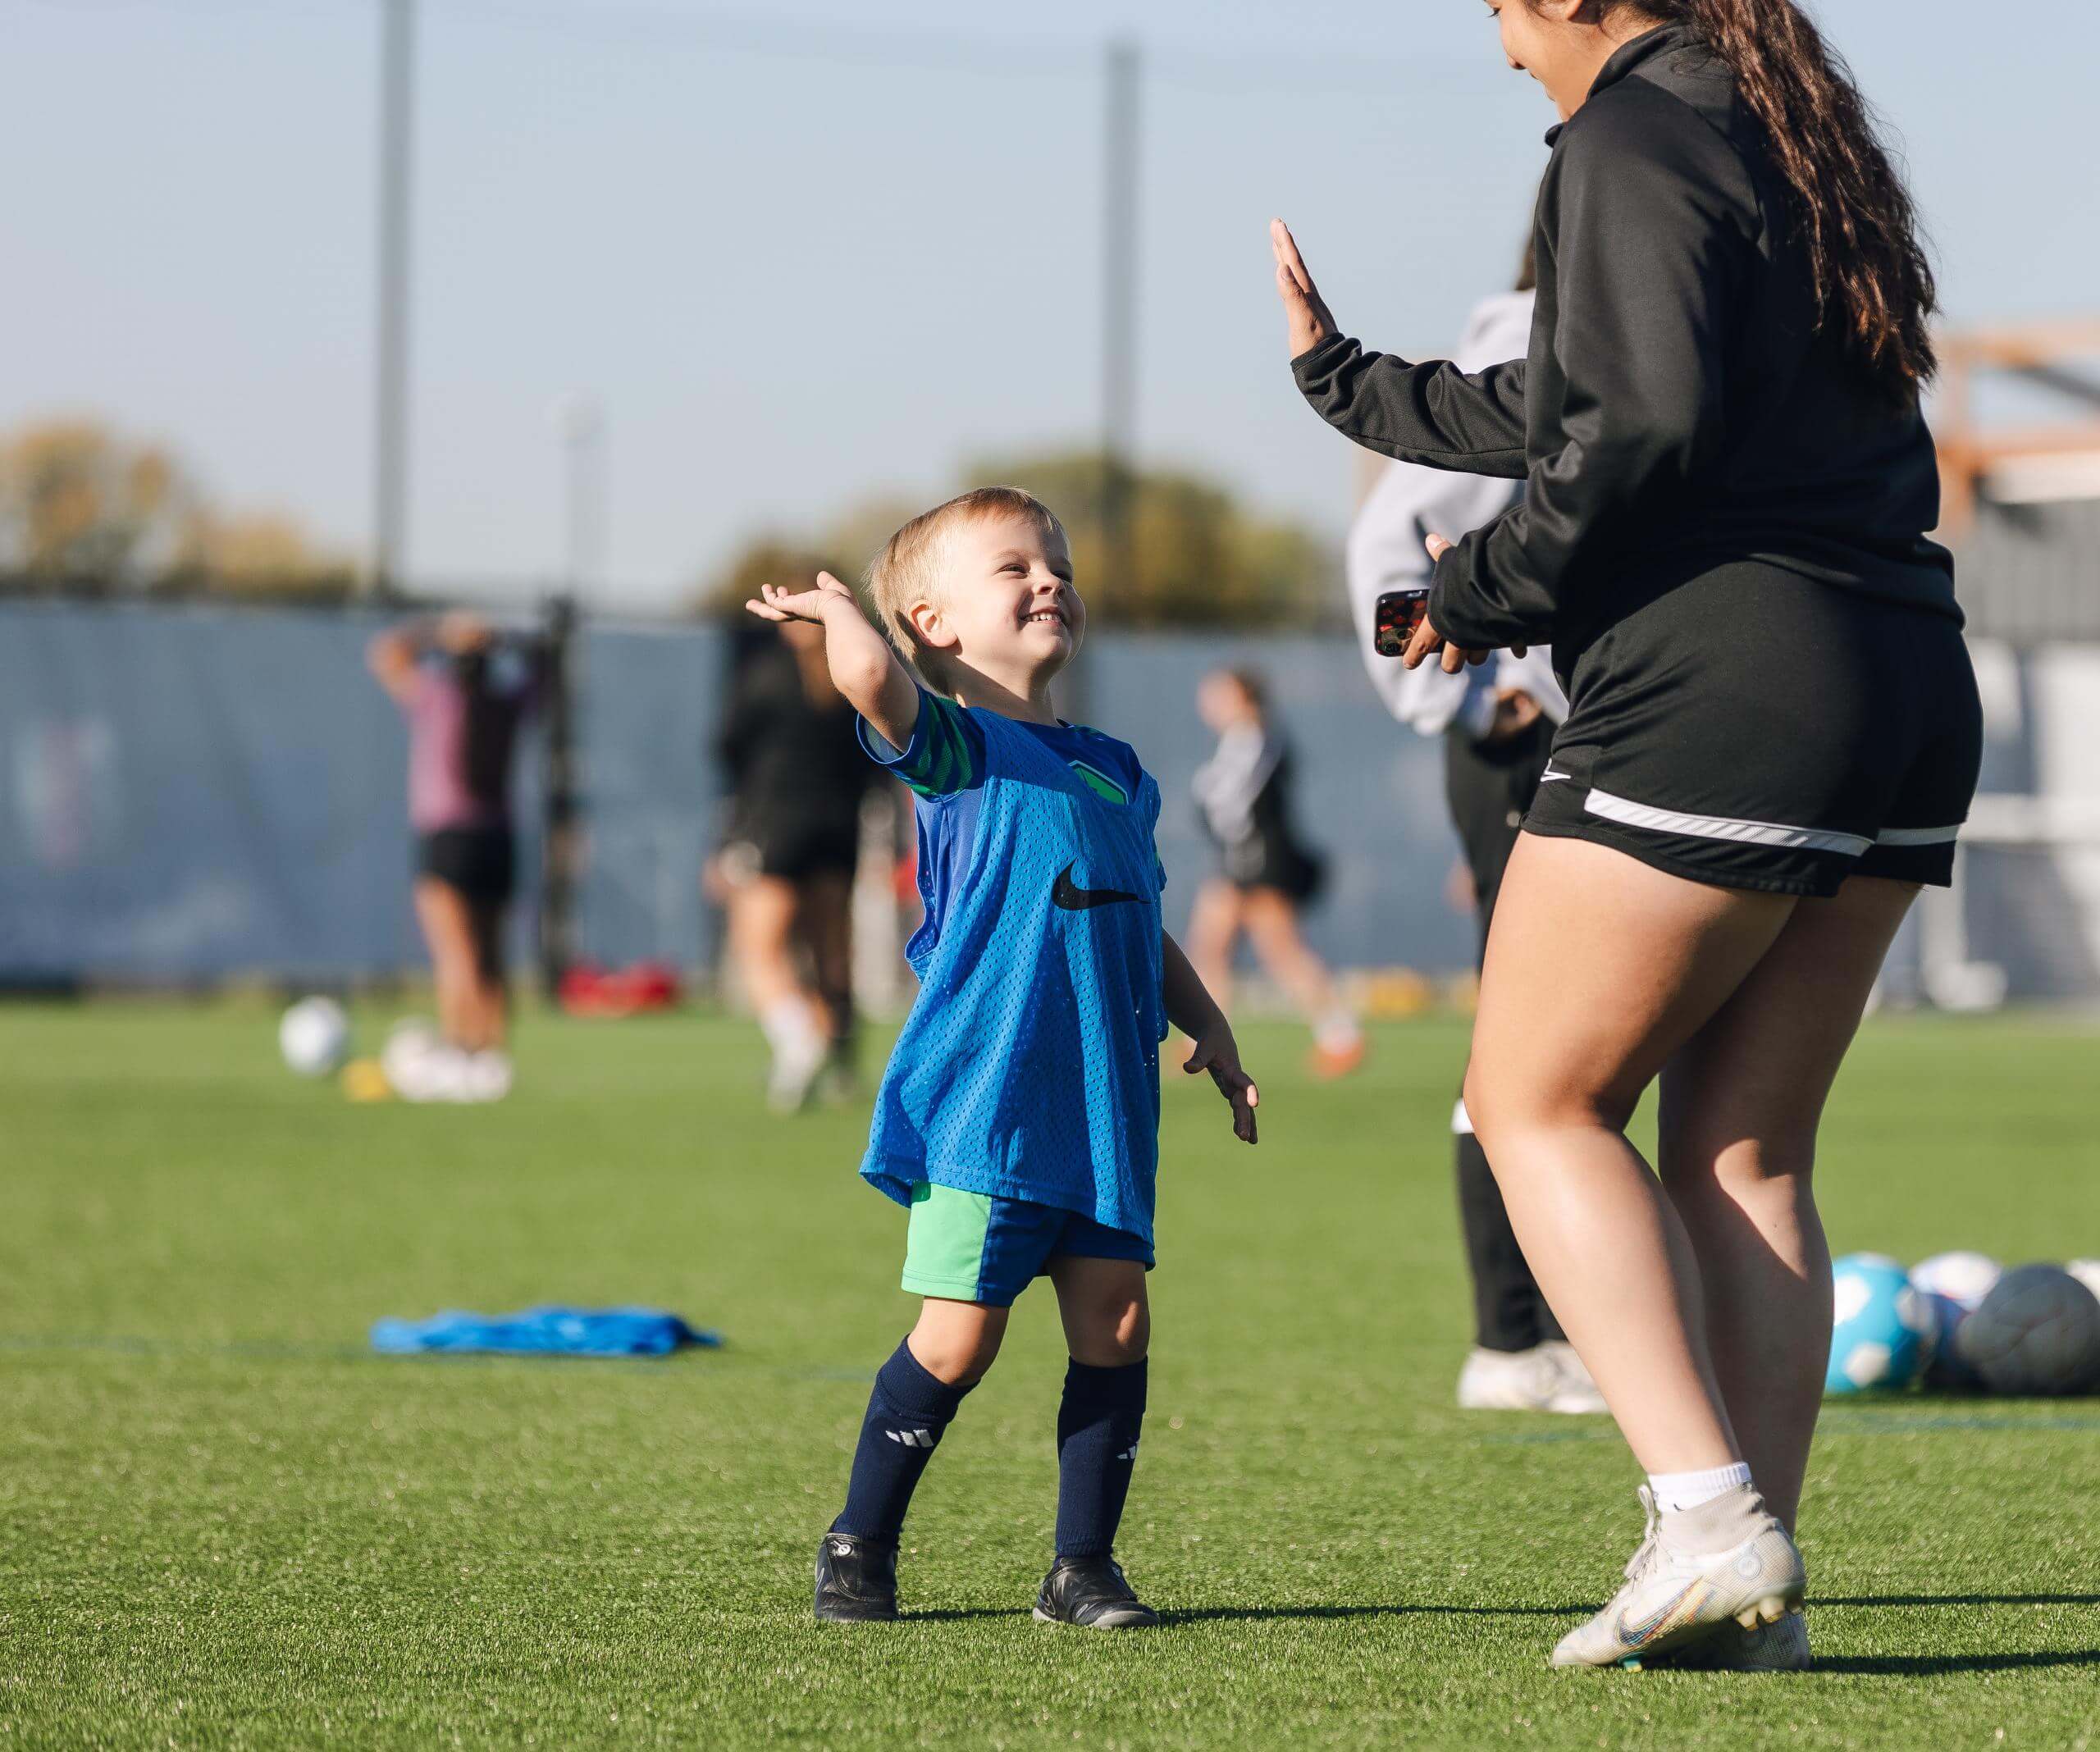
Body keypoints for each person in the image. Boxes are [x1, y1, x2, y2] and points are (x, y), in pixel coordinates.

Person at [1274, 0, 1979, 1671]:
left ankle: (1703, 1518)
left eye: (1503, 5)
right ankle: (1750, 1596)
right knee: (1741, 1152)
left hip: (1729, 677)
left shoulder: (1631, 132)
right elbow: (1593, 387)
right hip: (1893, 670)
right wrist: (1354, 384)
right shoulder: (1778, 122)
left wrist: (1475, 593)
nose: (1495, 35)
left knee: (1528, 1098)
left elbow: (1635, 425)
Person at [744, 486, 1258, 1630]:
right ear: (933, 623)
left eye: (1058, 563)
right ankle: (859, 1539)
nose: (1049, 581)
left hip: (1104, 1099)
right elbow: (873, 685)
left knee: (1117, 1322)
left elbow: (1137, 908)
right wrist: (841, 616)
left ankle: (1083, 1568)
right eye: (1014, 567)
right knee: (961, 1335)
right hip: (988, 1094)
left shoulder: (1116, 766)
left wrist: (1207, 1023)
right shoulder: (954, 745)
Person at [1347, 267, 1602, 1415]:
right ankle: (1512, 1338)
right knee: (1527, 1029)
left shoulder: (1608, 346)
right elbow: (1388, 564)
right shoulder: (1524, 365)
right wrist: (1469, 691)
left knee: (1585, 1031)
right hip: (1518, 752)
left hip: (1600, 739)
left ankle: (1563, 1325)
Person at [713, 581, 881, 1111]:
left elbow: (728, 749)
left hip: (776, 825)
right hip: (839, 829)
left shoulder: (766, 678)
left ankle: (798, 1038)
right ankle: (842, 1063)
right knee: (831, 951)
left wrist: (730, 834)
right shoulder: (852, 682)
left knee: (758, 945)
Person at [368, 611, 539, 1102]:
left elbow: (386, 653)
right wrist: (505, 637)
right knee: (491, 954)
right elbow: (547, 666)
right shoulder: (506, 705)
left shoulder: (438, 699)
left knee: (455, 953)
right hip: (497, 839)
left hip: (448, 838)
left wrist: (438, 631)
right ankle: (491, 1057)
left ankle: (462, 1054)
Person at [1186, 667, 1364, 1078]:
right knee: (1209, 945)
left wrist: (1207, 794)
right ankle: (1201, 1039)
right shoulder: (1236, 741)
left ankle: (1342, 1036)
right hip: (1236, 860)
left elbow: (1232, 800)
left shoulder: (1258, 738)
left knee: (1281, 950)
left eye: (1219, 694)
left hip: (1261, 862)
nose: (1209, 703)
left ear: (1244, 697)